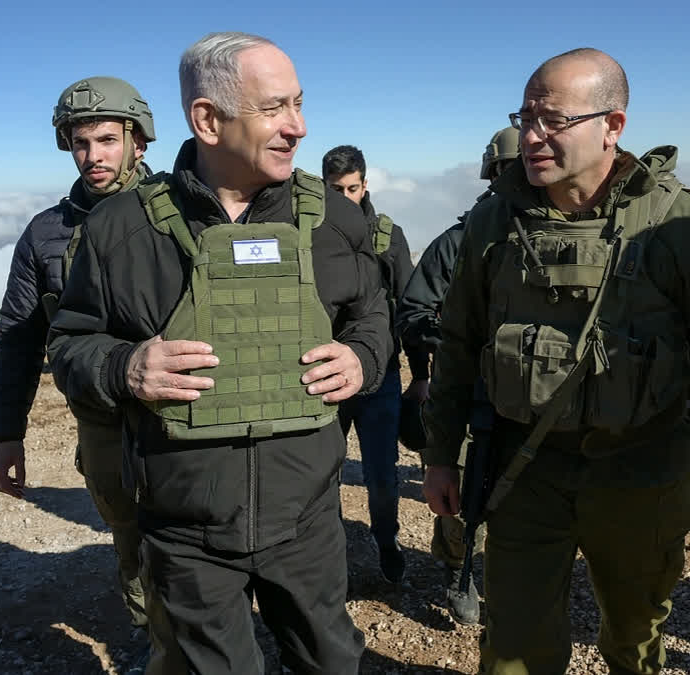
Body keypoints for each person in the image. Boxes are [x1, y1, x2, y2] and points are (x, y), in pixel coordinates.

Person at [421, 48, 690, 674]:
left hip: (640, 471)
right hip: (525, 469)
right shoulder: (494, 222)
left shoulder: (686, 227)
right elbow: (457, 346)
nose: (531, 136)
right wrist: (439, 455)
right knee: (513, 647)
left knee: (634, 637)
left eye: (553, 120)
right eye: (525, 117)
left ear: (612, 126)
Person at [47, 32, 390, 674]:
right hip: (184, 528)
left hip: (308, 519)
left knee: (331, 663)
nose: (299, 127)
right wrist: (124, 368)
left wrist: (364, 359)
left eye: (299, 103)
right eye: (275, 108)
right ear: (208, 119)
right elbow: (70, 342)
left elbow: (371, 314)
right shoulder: (122, 230)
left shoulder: (335, 223)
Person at [0, 76, 156, 663]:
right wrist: (7, 433)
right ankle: (157, 644)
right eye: (80, 143)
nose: (94, 156)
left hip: (188, 411)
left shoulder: (183, 212)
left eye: (107, 140)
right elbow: (17, 338)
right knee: (131, 540)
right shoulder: (46, 233)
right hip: (105, 421)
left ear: (139, 140)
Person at [395, 125, 519, 623]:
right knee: (465, 489)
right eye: (507, 171)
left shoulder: (560, 237)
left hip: (535, 397)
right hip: (468, 393)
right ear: (493, 175)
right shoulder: (458, 241)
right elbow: (413, 312)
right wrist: (455, 340)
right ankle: (457, 567)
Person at [321, 143, 419, 583]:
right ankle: (329, 550)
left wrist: (423, 375)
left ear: (365, 185)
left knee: (381, 473)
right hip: (323, 374)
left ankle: (387, 540)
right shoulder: (309, 237)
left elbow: (410, 308)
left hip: (380, 376)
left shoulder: (385, 236)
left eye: (352, 189)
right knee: (323, 472)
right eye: (335, 190)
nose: (344, 199)